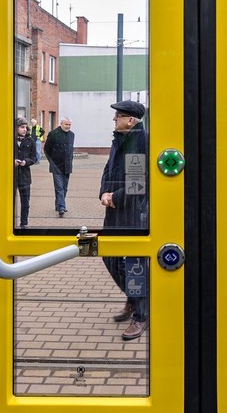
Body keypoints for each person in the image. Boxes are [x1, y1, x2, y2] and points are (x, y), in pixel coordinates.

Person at [99, 100, 149, 341]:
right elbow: (108, 169)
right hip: (114, 210)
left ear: (131, 120)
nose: (114, 119)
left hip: (132, 211)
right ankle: (133, 297)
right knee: (109, 255)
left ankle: (141, 315)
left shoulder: (139, 140)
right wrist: (102, 192)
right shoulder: (118, 138)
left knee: (134, 264)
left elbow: (138, 182)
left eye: (118, 116)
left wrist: (114, 197)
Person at [43, 117, 75, 217]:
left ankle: (59, 204)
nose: (68, 126)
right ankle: (61, 206)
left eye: (69, 125)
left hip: (67, 166)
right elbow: (46, 149)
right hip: (56, 166)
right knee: (59, 187)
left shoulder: (72, 135)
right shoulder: (53, 134)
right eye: (66, 124)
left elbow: (70, 149)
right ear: (61, 124)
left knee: (64, 188)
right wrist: (51, 162)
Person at [14, 117, 36, 229]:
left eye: (25, 127)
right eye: (22, 127)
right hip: (11, 176)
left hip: (25, 176)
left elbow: (34, 158)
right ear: (16, 127)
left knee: (25, 202)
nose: (24, 129)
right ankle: (10, 223)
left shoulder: (30, 141)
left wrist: (25, 162)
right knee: (10, 201)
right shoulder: (10, 140)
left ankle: (24, 223)